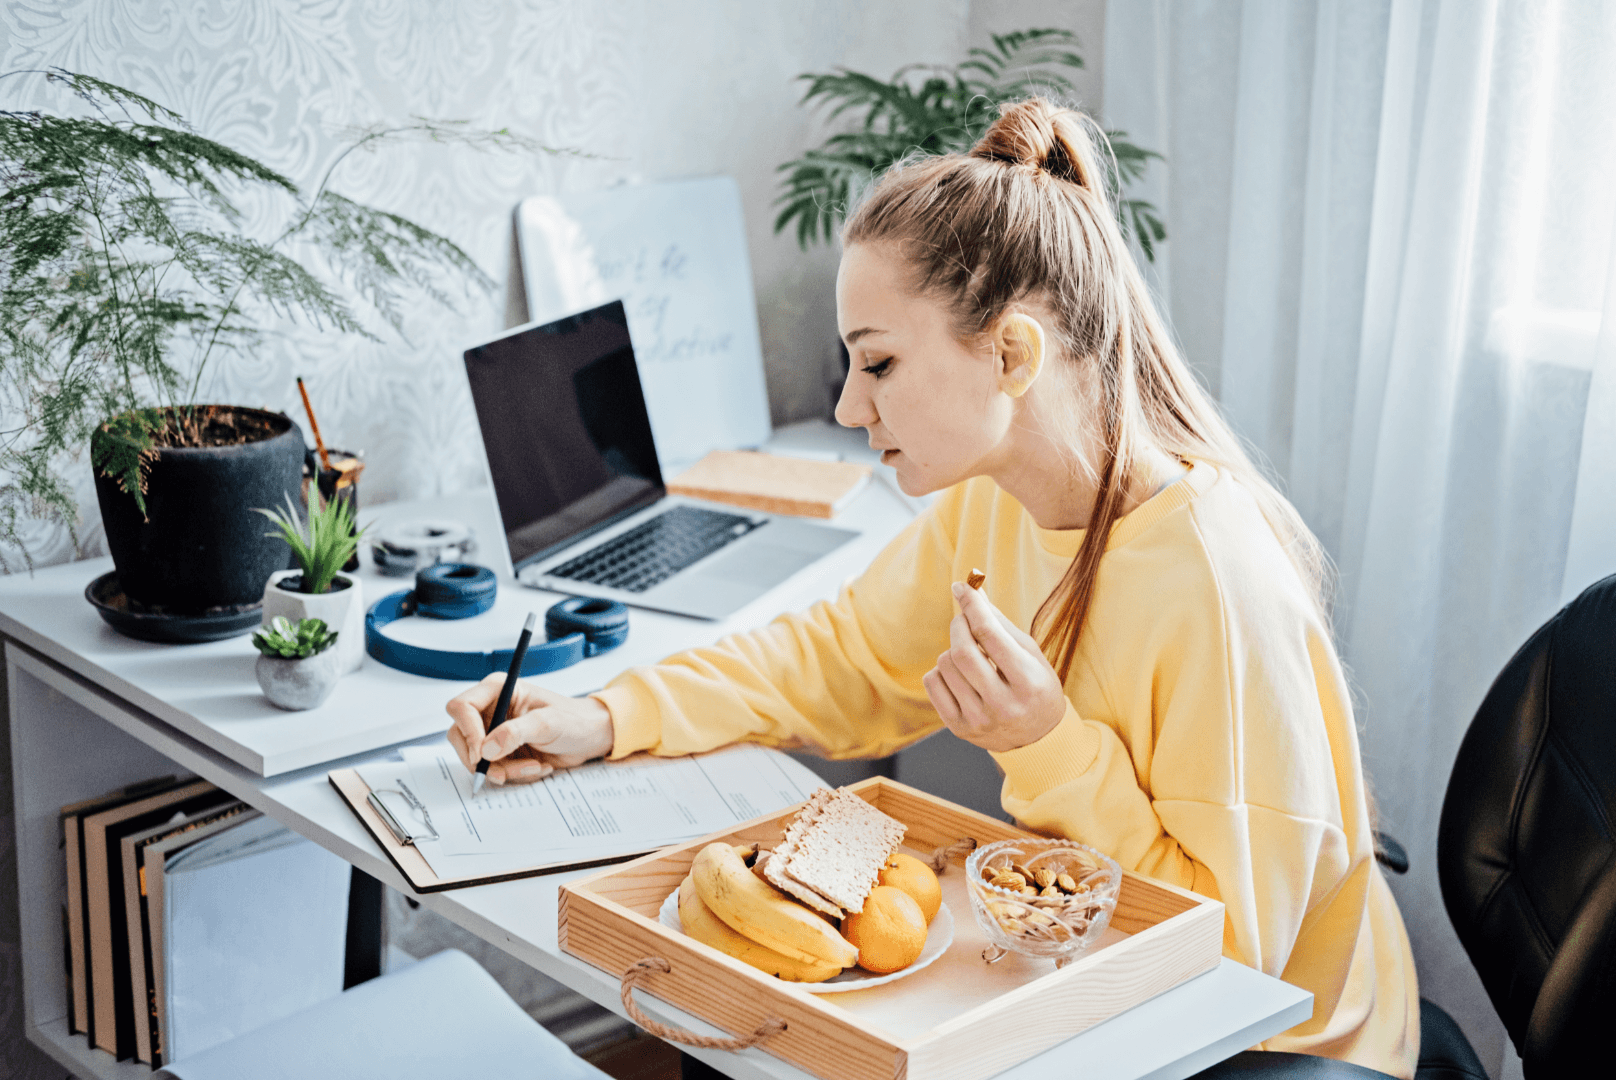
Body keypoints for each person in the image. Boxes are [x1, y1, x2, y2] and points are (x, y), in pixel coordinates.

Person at [447, 98, 1419, 1077]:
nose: (845, 403)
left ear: (1011, 355)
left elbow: (1234, 954)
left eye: (876, 362)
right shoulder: (991, 500)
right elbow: (837, 658)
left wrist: (1044, 747)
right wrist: (606, 715)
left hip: (1268, 1043)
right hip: (1096, 972)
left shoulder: (1212, 580)